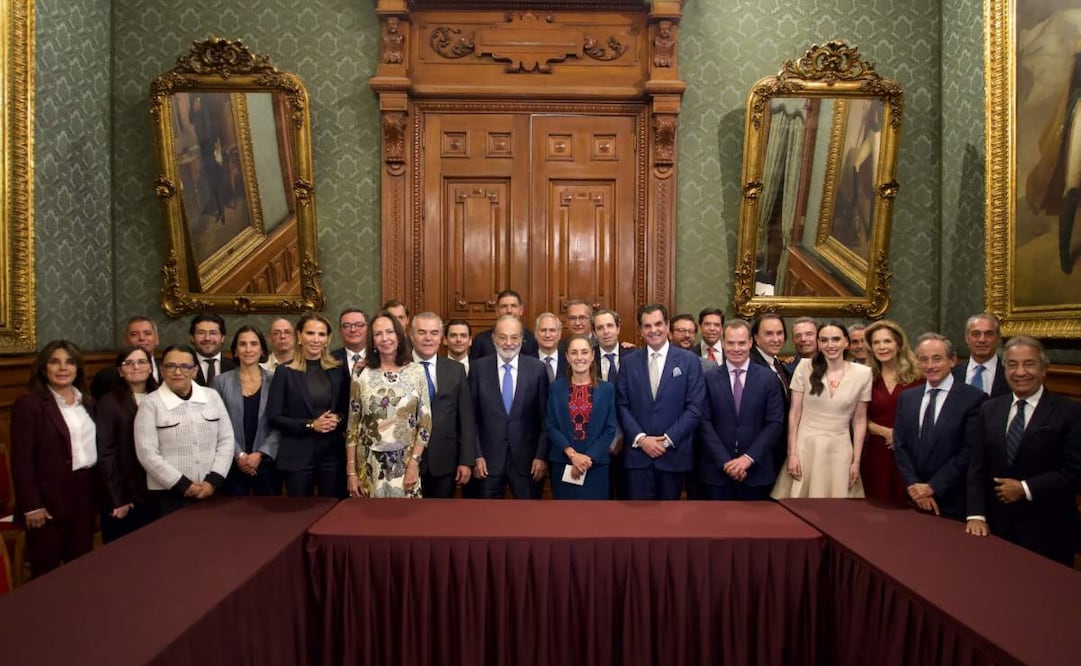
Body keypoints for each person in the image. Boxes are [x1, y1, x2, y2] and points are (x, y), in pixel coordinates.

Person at [965, 336, 1081, 566]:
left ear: (1043, 369)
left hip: (1049, 530)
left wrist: (1025, 488)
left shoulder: (1069, 412)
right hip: (997, 528)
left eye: (1028, 364)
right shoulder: (990, 409)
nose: (1020, 372)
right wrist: (976, 515)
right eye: (1012, 364)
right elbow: (977, 465)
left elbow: (1075, 472)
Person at [11, 341, 98, 577]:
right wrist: (32, 506)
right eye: (54, 362)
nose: (63, 368)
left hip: (84, 493)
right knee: (46, 572)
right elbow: (21, 461)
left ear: (78, 368)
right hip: (47, 501)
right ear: (43, 368)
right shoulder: (29, 405)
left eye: (69, 362)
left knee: (81, 565)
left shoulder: (88, 402)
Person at [771, 322, 872, 499]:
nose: (830, 345)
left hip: (840, 448)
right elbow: (794, 413)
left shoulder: (863, 374)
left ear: (846, 343)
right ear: (818, 343)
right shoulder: (804, 367)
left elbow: (859, 420)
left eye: (836, 339)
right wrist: (792, 453)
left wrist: (856, 461)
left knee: (837, 511)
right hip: (806, 447)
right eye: (824, 340)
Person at [134, 344, 233, 519]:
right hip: (168, 495)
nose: (177, 372)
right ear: (162, 370)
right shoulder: (150, 403)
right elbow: (147, 453)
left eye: (185, 367)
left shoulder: (212, 396)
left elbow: (226, 440)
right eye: (171, 366)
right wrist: (184, 485)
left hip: (211, 489)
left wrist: (212, 481)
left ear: (195, 371)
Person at [616, 304, 704, 500]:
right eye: (647, 326)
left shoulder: (689, 361)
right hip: (638, 457)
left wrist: (666, 441)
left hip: (674, 456)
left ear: (667, 326)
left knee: (669, 523)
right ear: (640, 330)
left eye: (658, 324)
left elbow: (695, 408)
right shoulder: (629, 362)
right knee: (637, 522)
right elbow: (622, 405)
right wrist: (641, 439)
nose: (653, 330)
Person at [893, 334, 984, 520]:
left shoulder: (973, 398)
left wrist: (932, 487)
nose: (930, 366)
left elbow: (969, 451)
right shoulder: (908, 397)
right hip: (913, 497)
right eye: (923, 359)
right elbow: (900, 444)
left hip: (952, 499)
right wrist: (914, 486)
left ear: (952, 360)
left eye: (937, 359)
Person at [346, 312, 432, 498]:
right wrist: (351, 473)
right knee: (369, 522)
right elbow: (352, 426)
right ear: (372, 341)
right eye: (378, 334)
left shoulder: (416, 371)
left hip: (405, 464)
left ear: (399, 337)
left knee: (405, 523)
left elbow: (425, 424)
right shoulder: (361, 372)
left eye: (390, 332)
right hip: (368, 465)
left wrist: (414, 464)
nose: (385, 338)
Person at [698, 320, 784, 500]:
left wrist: (748, 458)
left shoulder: (769, 379)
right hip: (717, 472)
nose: (736, 348)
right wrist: (725, 462)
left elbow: (774, 423)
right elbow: (703, 422)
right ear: (722, 342)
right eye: (730, 343)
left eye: (742, 343)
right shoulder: (709, 378)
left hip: (756, 471)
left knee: (754, 527)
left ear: (751, 343)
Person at [267, 313, 348, 498]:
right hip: (297, 456)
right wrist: (312, 425)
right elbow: (274, 417)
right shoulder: (285, 371)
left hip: (332, 455)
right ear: (299, 336)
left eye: (321, 334)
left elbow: (347, 410)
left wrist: (338, 418)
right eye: (310, 333)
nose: (316, 339)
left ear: (328, 339)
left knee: (331, 510)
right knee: (299, 513)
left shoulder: (337, 369)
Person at [470, 315, 549, 499]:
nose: (508, 343)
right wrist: (476, 455)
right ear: (493, 338)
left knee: (529, 521)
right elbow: (470, 418)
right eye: (502, 337)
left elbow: (545, 418)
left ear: (522, 339)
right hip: (487, 463)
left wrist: (541, 456)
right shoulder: (478, 369)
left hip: (528, 463)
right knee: (487, 521)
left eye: (514, 337)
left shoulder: (537, 369)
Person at [409, 312, 475, 498]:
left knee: (439, 519)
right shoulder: (399, 367)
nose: (428, 338)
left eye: (434, 332)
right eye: (422, 332)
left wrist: (466, 461)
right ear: (411, 335)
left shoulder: (455, 369)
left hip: (445, 461)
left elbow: (466, 418)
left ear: (441, 337)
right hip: (404, 460)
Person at [212, 326, 280, 496]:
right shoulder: (220, 382)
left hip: (267, 463)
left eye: (253, 344)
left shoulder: (276, 380)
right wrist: (239, 455)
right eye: (242, 344)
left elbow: (281, 422)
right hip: (232, 463)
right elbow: (216, 423)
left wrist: (260, 454)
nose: (248, 349)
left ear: (262, 349)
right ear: (235, 351)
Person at [546, 335, 616, 499]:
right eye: (574, 352)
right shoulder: (556, 388)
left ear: (592, 356)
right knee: (564, 518)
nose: (579, 357)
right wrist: (573, 455)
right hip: (564, 462)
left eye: (584, 352)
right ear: (567, 356)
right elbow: (550, 425)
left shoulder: (607, 389)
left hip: (596, 464)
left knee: (595, 519)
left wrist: (587, 458)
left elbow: (610, 428)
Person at [860, 320, 923, 504]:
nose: (882, 347)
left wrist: (901, 437)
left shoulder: (918, 376)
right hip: (875, 452)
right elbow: (858, 416)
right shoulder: (865, 377)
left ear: (899, 343)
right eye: (876, 343)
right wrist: (885, 432)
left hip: (910, 452)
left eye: (887, 341)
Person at [96, 345, 153, 543]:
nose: (136, 367)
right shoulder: (109, 402)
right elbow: (106, 453)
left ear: (151, 367)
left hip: (158, 490)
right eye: (128, 363)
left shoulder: (161, 397)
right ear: (120, 370)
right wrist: (117, 498)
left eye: (141, 361)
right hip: (127, 494)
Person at [749, 313, 791, 473]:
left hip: (777, 450)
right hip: (761, 454)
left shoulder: (777, 364)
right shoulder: (752, 366)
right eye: (769, 334)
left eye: (779, 333)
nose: (776, 339)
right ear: (756, 338)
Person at [91, 316, 162, 398]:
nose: (142, 338)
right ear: (125, 341)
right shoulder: (105, 377)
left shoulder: (167, 370)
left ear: (156, 339)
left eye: (147, 333)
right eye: (134, 334)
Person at [469, 289, 540, 360]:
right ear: (497, 311)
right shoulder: (481, 341)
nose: (509, 310)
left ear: (521, 310)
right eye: (504, 306)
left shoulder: (531, 340)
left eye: (513, 306)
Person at [951, 313, 1009, 397]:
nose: (982, 340)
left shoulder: (1009, 373)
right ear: (967, 338)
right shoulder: (952, 375)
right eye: (976, 334)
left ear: (998, 338)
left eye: (989, 334)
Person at [190, 313, 235, 386]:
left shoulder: (236, 367)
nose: (207, 338)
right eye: (201, 333)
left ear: (222, 338)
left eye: (213, 333)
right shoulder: (183, 367)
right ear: (192, 338)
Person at [331, 308, 369, 381]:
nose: (353, 330)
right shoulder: (329, 360)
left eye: (359, 325)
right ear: (340, 330)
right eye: (346, 326)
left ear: (368, 328)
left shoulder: (379, 357)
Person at [535, 312, 567, 382]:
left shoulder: (568, 359)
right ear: (536, 334)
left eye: (552, 330)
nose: (547, 335)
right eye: (543, 330)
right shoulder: (527, 361)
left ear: (559, 334)